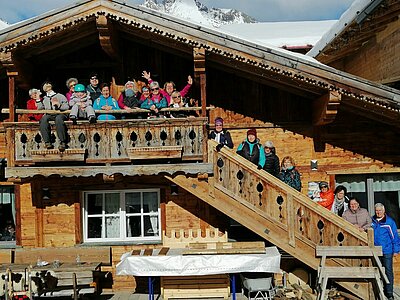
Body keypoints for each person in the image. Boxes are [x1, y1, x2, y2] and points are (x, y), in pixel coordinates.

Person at [371, 203, 400, 300]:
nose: (378, 212)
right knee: (377, 271)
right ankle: (379, 291)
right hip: (375, 251)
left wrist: (396, 250)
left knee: (388, 272)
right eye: (377, 210)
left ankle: (389, 292)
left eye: (380, 210)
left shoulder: (389, 222)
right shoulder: (372, 221)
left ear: (384, 211)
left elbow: (395, 237)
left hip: (387, 250)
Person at [37, 82, 69, 151]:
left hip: (60, 113)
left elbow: (66, 106)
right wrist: (38, 99)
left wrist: (59, 105)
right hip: (49, 114)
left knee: (58, 119)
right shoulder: (45, 98)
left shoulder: (60, 96)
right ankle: (47, 142)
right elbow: (40, 108)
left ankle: (62, 142)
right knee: (43, 119)